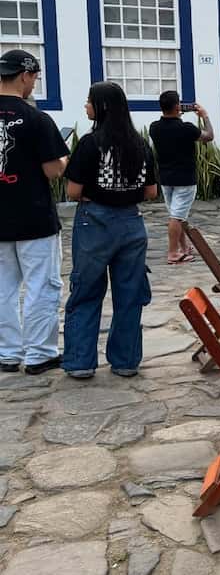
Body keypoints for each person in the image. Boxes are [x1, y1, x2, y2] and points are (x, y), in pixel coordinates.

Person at [63, 81, 157, 380]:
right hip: (131, 223)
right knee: (129, 294)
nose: (85, 106)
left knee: (86, 291)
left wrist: (96, 192)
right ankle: (126, 360)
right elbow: (151, 191)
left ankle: (80, 362)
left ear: (101, 107)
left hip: (95, 222)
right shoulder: (140, 144)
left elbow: (73, 190)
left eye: (89, 101)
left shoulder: (90, 144)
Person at [0, 49, 69, 375]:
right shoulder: (36, 118)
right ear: (25, 75)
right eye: (35, 78)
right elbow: (53, 170)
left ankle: (7, 353)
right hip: (33, 215)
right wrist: (66, 160)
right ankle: (40, 353)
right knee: (42, 285)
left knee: (2, 289)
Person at [149, 91, 213, 264]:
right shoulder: (187, 129)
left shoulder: (154, 127)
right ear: (178, 106)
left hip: (166, 178)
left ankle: (183, 248)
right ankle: (173, 253)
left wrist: (175, 114)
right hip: (185, 179)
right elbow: (209, 136)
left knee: (178, 215)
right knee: (177, 217)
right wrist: (204, 116)